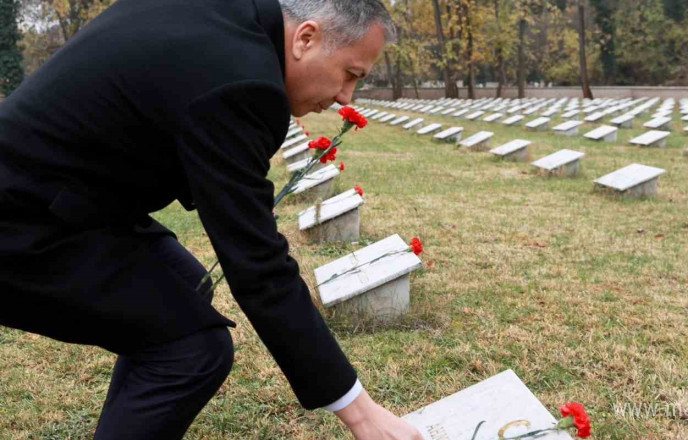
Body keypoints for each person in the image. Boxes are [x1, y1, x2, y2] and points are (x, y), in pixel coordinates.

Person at [0, 0, 424, 438]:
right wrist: (360, 413)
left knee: (187, 287)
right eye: (351, 74)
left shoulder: (224, 20)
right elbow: (257, 264)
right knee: (192, 349)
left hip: (72, 197)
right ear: (306, 38)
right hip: (23, 221)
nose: (345, 97)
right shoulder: (241, 79)